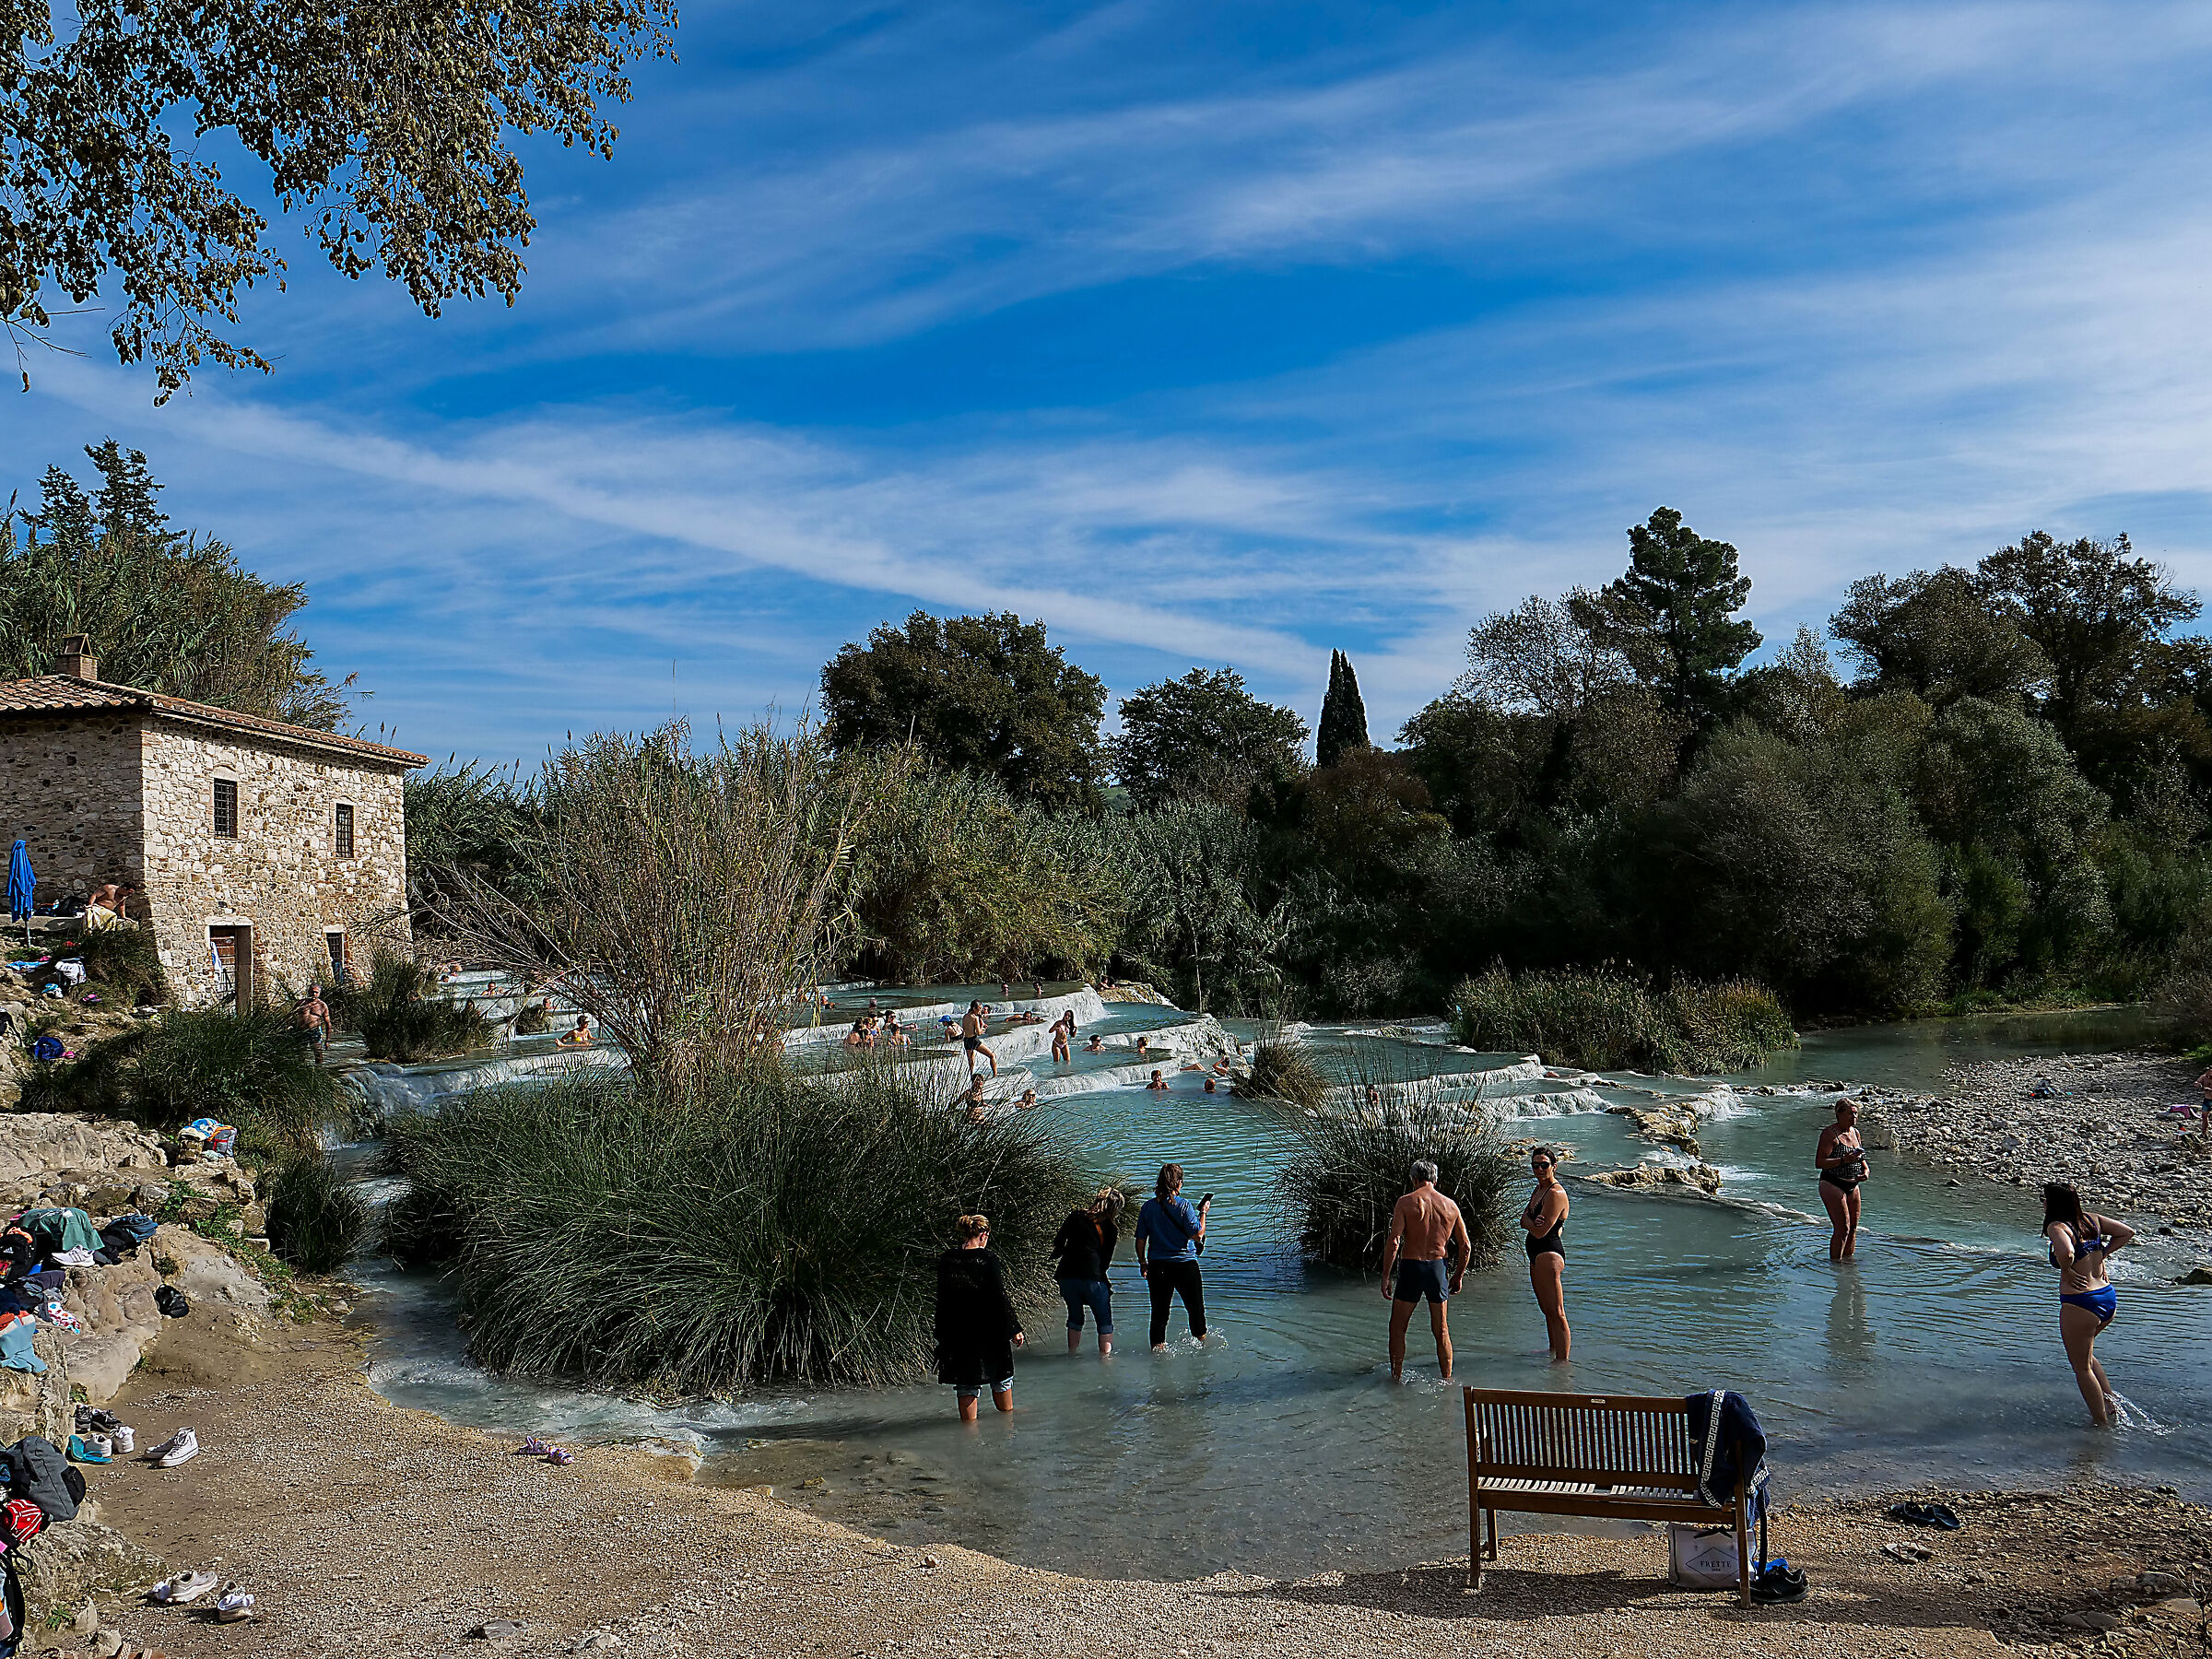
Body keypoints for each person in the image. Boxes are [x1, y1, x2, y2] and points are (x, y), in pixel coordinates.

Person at [2043, 1182, 2135, 1426]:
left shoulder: (2057, 1226)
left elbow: (2066, 1253)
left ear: (2053, 1204)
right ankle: (2110, 1406)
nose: (2042, 1204)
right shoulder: (2092, 1220)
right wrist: (2102, 1255)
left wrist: (2067, 1269)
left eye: (2045, 1200)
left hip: (2081, 1303)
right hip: (2107, 1296)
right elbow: (2126, 1232)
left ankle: (2100, 1426)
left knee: (2081, 1369)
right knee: (2088, 1358)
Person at [1377, 1159, 1473, 1382]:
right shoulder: (1450, 1205)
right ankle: (1447, 1380)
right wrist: (1458, 1275)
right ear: (1435, 1180)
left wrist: (1385, 1276)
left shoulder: (1406, 1202)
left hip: (1412, 1267)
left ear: (1414, 1179)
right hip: (1438, 1269)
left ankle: (1396, 1378)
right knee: (1441, 1330)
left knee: (1398, 1327)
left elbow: (1394, 1242)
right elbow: (1466, 1245)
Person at [935, 1214, 1024, 1420]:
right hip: (988, 1329)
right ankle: (1007, 1423)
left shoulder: (947, 1258)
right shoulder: (988, 1259)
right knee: (1001, 1377)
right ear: (983, 1235)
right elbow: (999, 1297)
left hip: (957, 1329)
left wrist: (940, 1331)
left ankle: (969, 1435)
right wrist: (1014, 1328)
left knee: (966, 1384)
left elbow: (942, 1298)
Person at [1135, 1164, 1209, 1351]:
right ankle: (1202, 1347)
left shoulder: (1147, 1207)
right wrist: (1203, 1213)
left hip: (1158, 1266)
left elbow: (1141, 1239)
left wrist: (1143, 1262)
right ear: (1178, 1183)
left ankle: (1158, 1353)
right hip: (1185, 1265)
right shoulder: (1184, 1206)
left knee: (1159, 1314)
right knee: (1195, 1310)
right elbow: (1198, 1235)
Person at [1053, 1190, 1124, 1355]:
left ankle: (1071, 1355)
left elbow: (1058, 1242)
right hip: (1093, 1278)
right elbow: (1105, 1261)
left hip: (1067, 1275)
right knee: (1104, 1321)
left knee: (1075, 1317)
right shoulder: (1111, 1229)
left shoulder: (1075, 1216)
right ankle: (1105, 1364)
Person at [1520, 1146, 1571, 1362]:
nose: (1539, 1169)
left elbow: (1540, 1231)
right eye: (1535, 1165)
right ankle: (1552, 1350)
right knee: (1546, 1309)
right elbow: (1523, 1219)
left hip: (1549, 1253)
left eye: (1544, 1165)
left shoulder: (1556, 1193)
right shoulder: (1538, 1189)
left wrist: (1529, 1224)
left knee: (1557, 1312)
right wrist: (1530, 1222)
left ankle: (1562, 1363)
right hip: (1535, 1253)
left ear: (1554, 1166)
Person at [1816, 1098, 1869, 1261]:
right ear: (1839, 1115)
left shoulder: (1855, 1133)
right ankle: (1835, 1268)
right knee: (1842, 1228)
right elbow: (1819, 1162)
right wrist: (1842, 1160)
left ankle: (1848, 1263)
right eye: (1850, 1114)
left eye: (1856, 1114)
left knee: (1853, 1227)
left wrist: (1866, 1169)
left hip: (1853, 1183)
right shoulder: (1830, 1134)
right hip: (1832, 1183)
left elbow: (1861, 1157)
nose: (1854, 1117)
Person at [960, 1001, 998, 1078]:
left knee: (971, 1062)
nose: (980, 1010)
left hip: (966, 1040)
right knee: (992, 1055)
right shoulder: (975, 1018)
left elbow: (965, 1029)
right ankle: (995, 1076)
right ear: (974, 1008)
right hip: (973, 1040)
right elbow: (978, 1033)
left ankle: (971, 1077)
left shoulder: (965, 1016)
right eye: (979, 1009)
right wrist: (982, 1028)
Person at [297, 983, 333, 1065]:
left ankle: (319, 1071)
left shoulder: (322, 1006)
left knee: (318, 1053)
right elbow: (290, 1016)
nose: (314, 994)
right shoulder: (301, 1003)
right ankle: (301, 1070)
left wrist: (327, 1040)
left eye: (316, 992)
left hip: (314, 1031)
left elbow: (328, 1023)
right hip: (301, 1031)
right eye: (312, 992)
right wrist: (288, 1026)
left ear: (319, 993)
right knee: (301, 1053)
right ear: (309, 992)